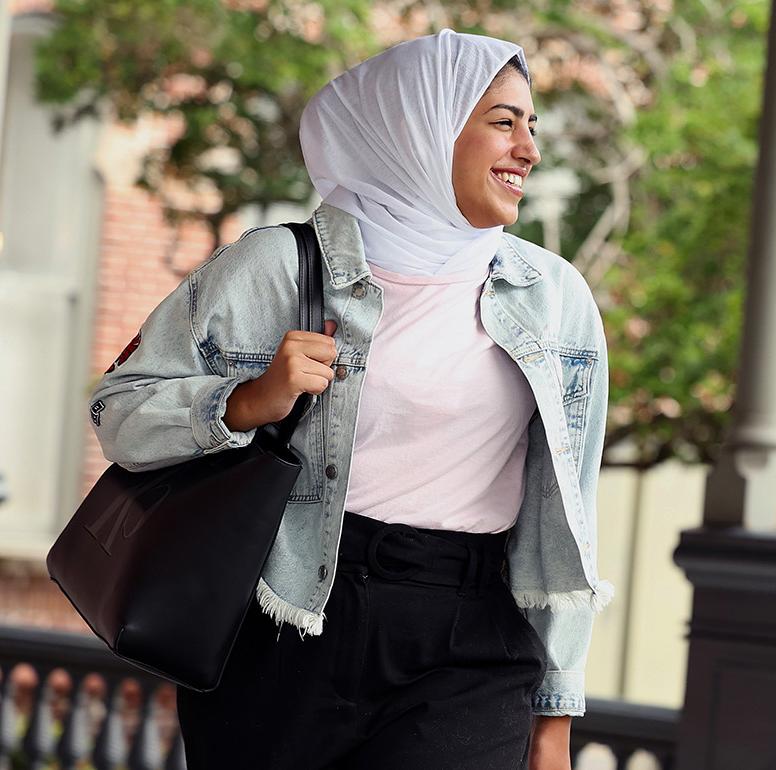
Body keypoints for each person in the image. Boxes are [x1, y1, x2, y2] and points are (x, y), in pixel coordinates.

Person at [88, 30, 608, 769]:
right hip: (285, 624)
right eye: (502, 121)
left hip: (469, 632)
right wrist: (246, 402)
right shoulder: (275, 268)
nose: (528, 148)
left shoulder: (555, 301)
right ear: (416, 127)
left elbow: (569, 515)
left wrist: (555, 711)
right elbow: (120, 411)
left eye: (532, 125)